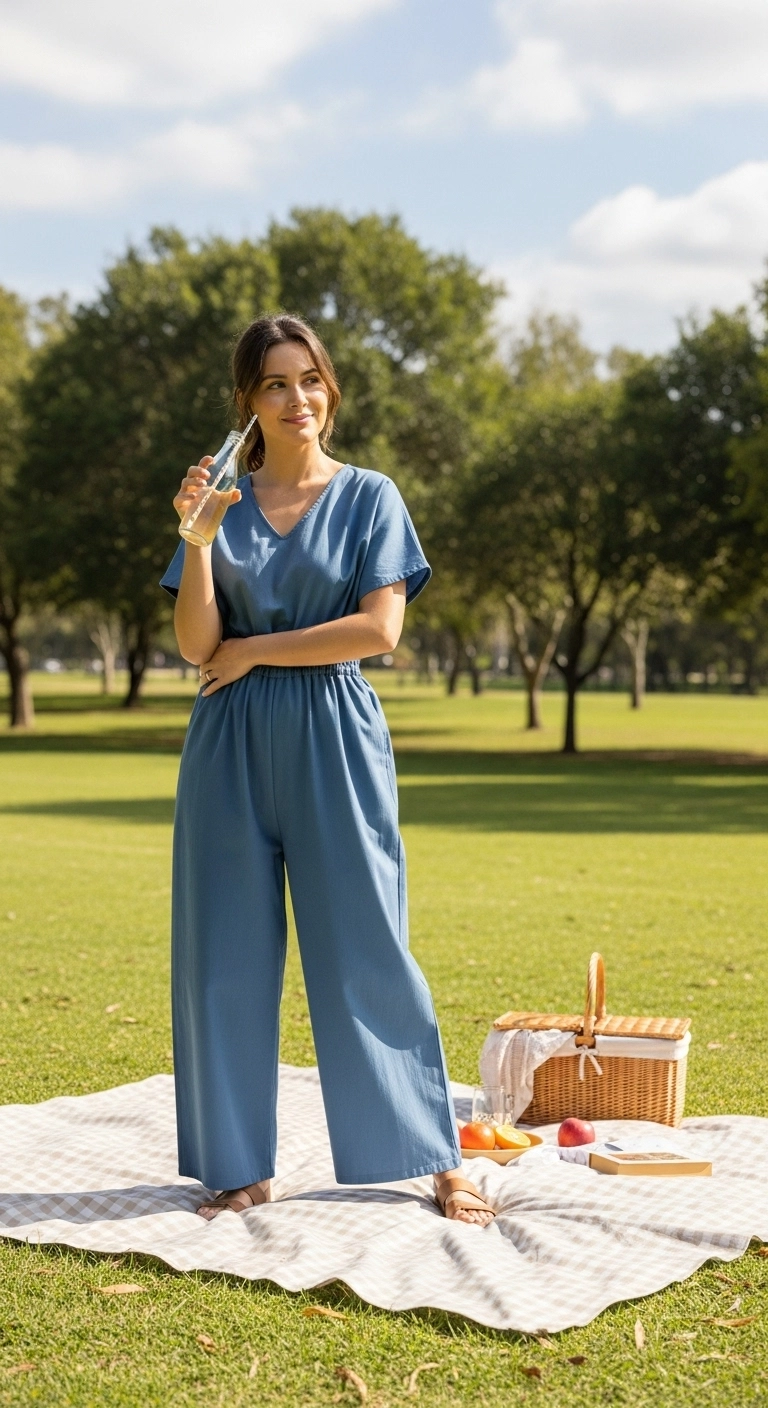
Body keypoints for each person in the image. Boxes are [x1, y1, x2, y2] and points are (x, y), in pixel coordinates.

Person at [160, 314, 494, 1227]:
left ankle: (431, 1156)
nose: (296, 399)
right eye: (274, 384)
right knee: (221, 958)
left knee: (367, 948)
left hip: (333, 734)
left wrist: (259, 650)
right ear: (247, 403)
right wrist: (195, 540)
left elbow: (378, 631)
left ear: (329, 391)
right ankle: (239, 1168)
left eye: (310, 380)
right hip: (226, 744)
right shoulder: (219, 503)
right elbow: (197, 644)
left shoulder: (371, 496)